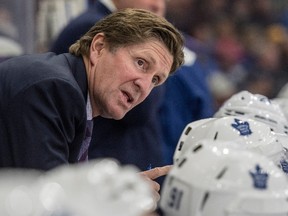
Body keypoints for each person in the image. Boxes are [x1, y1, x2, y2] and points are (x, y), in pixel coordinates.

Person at [0, 8, 184, 199]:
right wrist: (115, 200)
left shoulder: (75, 92)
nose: (144, 86)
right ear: (99, 47)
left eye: (155, 80)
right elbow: (49, 202)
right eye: (140, 63)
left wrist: (118, 192)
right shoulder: (54, 89)